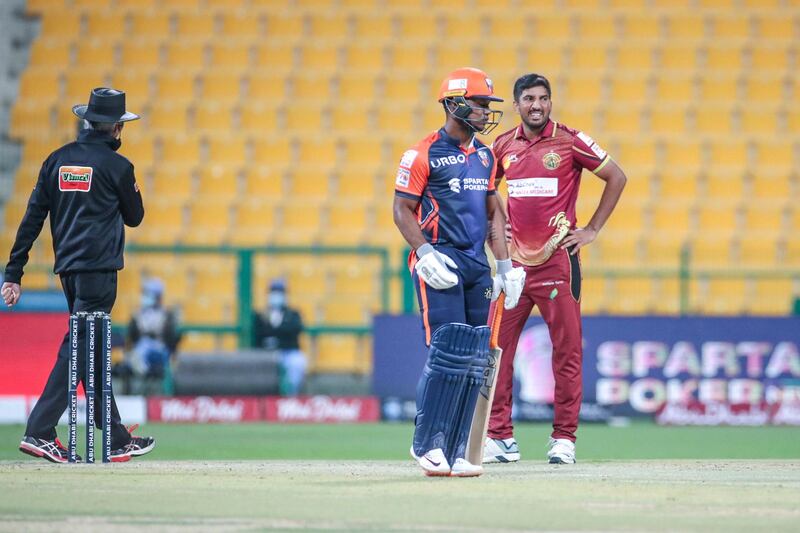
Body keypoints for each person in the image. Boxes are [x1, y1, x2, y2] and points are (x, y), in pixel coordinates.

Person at [1, 88, 156, 463]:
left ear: (86, 121)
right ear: (117, 128)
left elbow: (33, 217)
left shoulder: (57, 160)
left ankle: (116, 435)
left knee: (92, 350)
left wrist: (14, 272)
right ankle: (39, 430)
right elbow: (135, 217)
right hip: (99, 271)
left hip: (67, 270)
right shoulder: (118, 167)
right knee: (79, 348)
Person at [485, 73, 627, 465]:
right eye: (529, 98)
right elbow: (483, 192)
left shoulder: (570, 140)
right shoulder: (502, 145)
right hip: (513, 267)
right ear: (516, 104)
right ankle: (500, 437)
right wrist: (492, 230)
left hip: (558, 264)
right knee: (497, 350)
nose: (537, 105)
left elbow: (617, 176)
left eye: (544, 98)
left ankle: (564, 438)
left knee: (566, 353)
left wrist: (592, 229)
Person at [393, 67, 525, 477]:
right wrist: (425, 252)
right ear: (453, 103)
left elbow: (492, 213)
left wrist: (504, 264)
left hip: (475, 266)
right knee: (447, 354)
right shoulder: (421, 153)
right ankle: (426, 444)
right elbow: (401, 210)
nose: (486, 112)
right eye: (479, 104)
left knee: (474, 358)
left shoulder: (485, 155)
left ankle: (455, 450)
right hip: (440, 262)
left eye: (488, 105)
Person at [119, 277, 182, 393]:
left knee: (146, 347)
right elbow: (132, 336)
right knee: (139, 349)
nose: (145, 297)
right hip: (141, 350)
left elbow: (171, 339)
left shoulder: (166, 315)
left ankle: (140, 367)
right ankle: (140, 369)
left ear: (157, 296)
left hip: (160, 351)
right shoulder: (137, 315)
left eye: (148, 294)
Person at [252, 278, 307, 396]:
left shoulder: (293, 314)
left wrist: (274, 332)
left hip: (289, 351)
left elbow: (295, 329)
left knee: (297, 362)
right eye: (273, 292)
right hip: (265, 352)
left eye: (280, 292)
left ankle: (291, 396)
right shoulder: (260, 315)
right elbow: (258, 333)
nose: (276, 296)